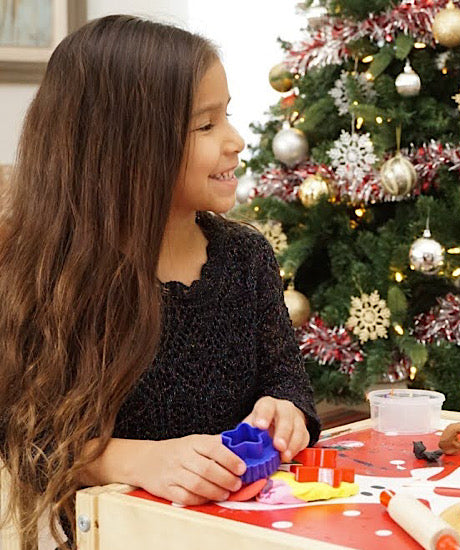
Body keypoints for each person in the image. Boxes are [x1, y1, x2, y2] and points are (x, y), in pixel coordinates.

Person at [0, 15, 320, 547]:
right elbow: (24, 435)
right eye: (206, 125)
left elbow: (289, 384)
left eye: (229, 117)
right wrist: (133, 459)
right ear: (124, 146)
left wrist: (286, 414)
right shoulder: (46, 273)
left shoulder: (245, 257)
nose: (236, 141)